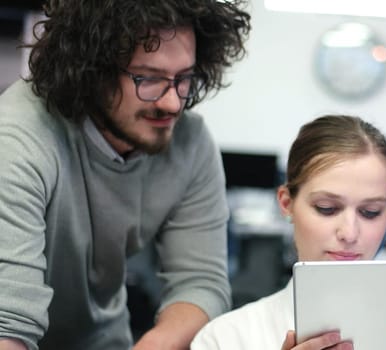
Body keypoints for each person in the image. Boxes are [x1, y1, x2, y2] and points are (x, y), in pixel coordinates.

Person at [0, 1, 251, 349]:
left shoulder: (190, 144)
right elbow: (8, 324)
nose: (173, 104)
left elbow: (201, 284)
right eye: (148, 78)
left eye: (183, 79)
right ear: (91, 69)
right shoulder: (17, 139)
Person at [190, 115, 386, 350]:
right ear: (287, 203)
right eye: (327, 208)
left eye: (370, 212)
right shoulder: (226, 340)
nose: (349, 232)